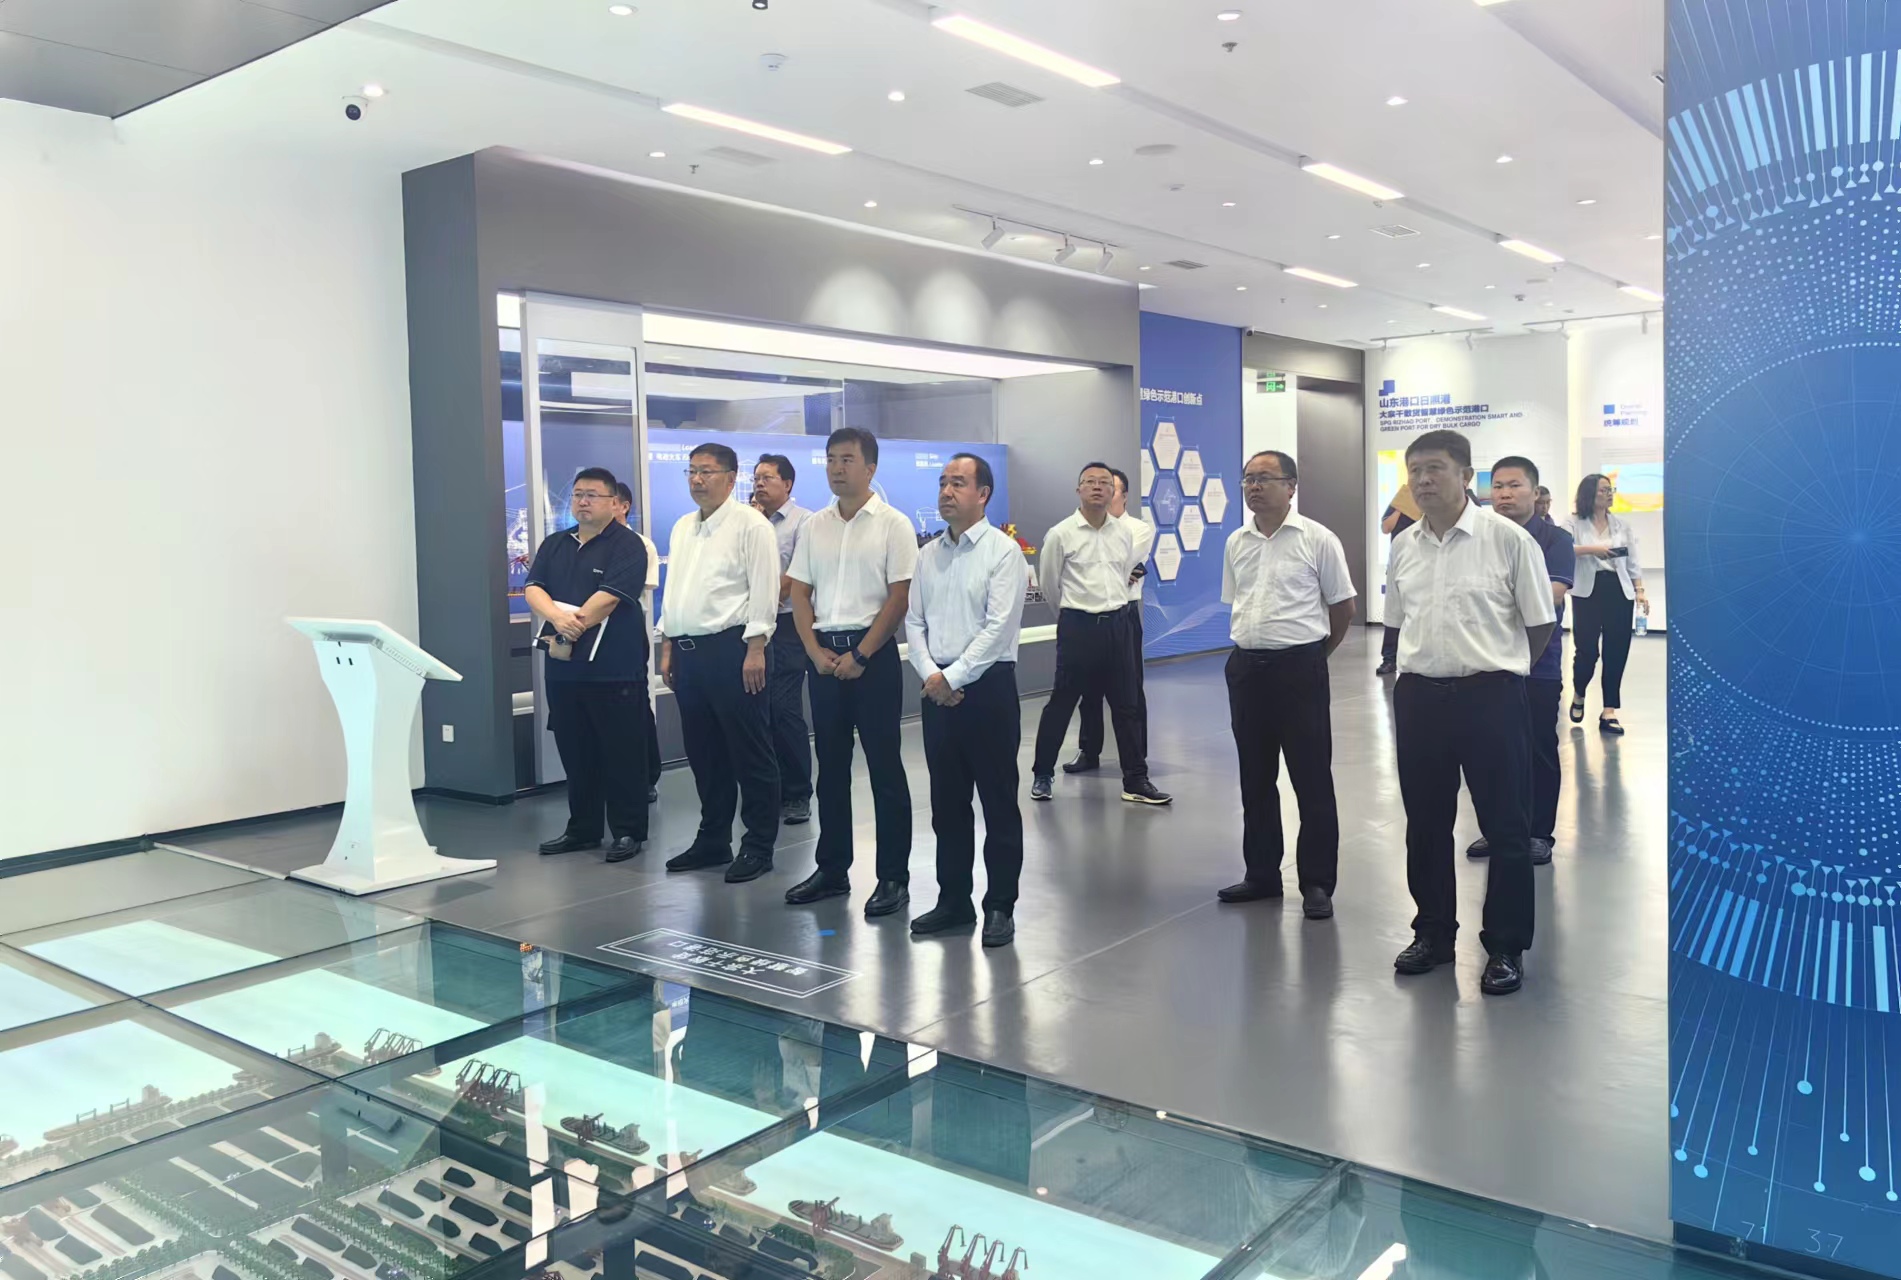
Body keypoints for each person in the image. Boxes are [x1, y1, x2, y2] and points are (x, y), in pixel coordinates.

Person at [1385, 430, 1556, 997]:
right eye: (1415, 470)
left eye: (1434, 468)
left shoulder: (1508, 539)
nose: (1422, 480)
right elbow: (1398, 621)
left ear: (1465, 476)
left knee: (1506, 827)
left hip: (1491, 696)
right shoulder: (1404, 545)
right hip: (1419, 698)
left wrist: (1501, 671)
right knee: (1425, 825)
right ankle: (1433, 934)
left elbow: (1539, 624)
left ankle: (1505, 946)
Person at [1215, 451, 1357, 920]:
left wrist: (1315, 656)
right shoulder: (1236, 542)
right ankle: (1261, 874)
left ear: (1291, 486)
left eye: (1265, 478)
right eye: (1248, 479)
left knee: (1311, 778)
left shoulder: (1318, 539)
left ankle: (1316, 882)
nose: (1254, 487)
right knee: (1255, 778)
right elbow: (1237, 600)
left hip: (1299, 668)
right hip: (1246, 670)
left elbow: (1343, 608)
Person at [786, 428, 918, 917]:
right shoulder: (815, 526)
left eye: (846, 459)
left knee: (885, 769)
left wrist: (861, 655)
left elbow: (899, 597)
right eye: (830, 459)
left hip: (873, 658)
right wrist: (814, 652)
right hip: (823, 657)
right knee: (831, 769)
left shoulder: (893, 524)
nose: (836, 468)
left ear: (870, 468)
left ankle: (893, 877)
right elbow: (799, 592)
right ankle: (832, 869)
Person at [906, 454, 1029, 948]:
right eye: (942, 483)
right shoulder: (927, 555)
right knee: (947, 804)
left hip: (987, 689)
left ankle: (1000, 905)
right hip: (937, 690)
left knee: (998, 803)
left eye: (958, 483)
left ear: (983, 494)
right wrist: (932, 675)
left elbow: (998, 628)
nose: (946, 491)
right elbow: (914, 622)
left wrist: (951, 677)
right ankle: (953, 900)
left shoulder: (1004, 552)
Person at [656, 444, 782, 882]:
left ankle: (759, 844)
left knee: (750, 751)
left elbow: (764, 589)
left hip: (734, 650)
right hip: (689, 653)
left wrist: (756, 647)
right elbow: (675, 590)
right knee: (704, 753)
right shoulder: (682, 527)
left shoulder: (751, 525)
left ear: (731, 478)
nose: (697, 479)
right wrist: (668, 642)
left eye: (707, 471)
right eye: (692, 471)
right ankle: (713, 839)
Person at [524, 468, 652, 863]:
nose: (582, 501)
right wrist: (557, 619)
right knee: (575, 748)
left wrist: (572, 623)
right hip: (564, 666)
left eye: (592, 495)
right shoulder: (555, 543)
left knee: (622, 750)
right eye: (578, 494)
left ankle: (628, 830)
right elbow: (534, 587)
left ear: (614, 502)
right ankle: (582, 828)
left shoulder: (628, 545)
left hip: (614, 667)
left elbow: (610, 597)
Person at [1029, 464, 1172, 805]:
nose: (1097, 487)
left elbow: (1124, 576)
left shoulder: (1123, 533)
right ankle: (1043, 774)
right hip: (1078, 628)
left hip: (1117, 626)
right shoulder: (1061, 534)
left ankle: (1135, 780)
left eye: (1105, 483)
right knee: (1062, 704)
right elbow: (1050, 585)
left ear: (1114, 492)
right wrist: (1074, 616)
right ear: (1078, 489)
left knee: (1127, 705)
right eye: (1090, 482)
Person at [1467, 458, 1573, 868]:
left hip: (1537, 662)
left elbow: (1553, 593)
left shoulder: (1555, 539)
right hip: (1485, 661)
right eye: (1498, 486)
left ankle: (1537, 833)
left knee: (1537, 750)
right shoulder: (1479, 536)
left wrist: (1491, 598)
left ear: (1535, 492)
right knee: (1489, 753)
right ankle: (1499, 829)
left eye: (1514, 486)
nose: (1505, 494)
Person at [1070, 467, 1154, 775]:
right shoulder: (1081, 529)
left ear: (1124, 496)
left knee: (1130, 689)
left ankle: (1136, 755)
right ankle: (1088, 750)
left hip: (1124, 614)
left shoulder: (1138, 529)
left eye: (1110, 487)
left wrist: (1100, 571)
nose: (1102, 491)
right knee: (1088, 688)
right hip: (1089, 616)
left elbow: (1120, 566)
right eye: (1095, 484)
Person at [752, 454, 814, 825]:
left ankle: (797, 792)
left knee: (783, 708)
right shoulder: (747, 521)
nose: (759, 484)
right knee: (756, 709)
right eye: (756, 478)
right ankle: (767, 789)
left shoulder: (804, 522)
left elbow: (796, 575)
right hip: (751, 626)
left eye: (767, 478)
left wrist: (764, 600)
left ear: (787, 484)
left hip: (787, 624)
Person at [1566, 473, 1647, 735]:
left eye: (1610, 489)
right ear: (1589, 493)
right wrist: (1594, 549)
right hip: (1587, 591)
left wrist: (1640, 591)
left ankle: (1609, 710)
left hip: (1618, 590)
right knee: (1587, 651)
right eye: (1603, 490)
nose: (1609, 494)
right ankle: (1579, 692)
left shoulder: (1622, 524)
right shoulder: (1573, 522)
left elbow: (1632, 561)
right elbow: (1565, 548)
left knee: (1616, 650)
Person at [615, 482, 663, 804]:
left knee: (635, 703)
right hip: (589, 634)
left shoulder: (641, 545)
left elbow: (638, 588)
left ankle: (647, 776)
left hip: (627, 631)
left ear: (624, 506)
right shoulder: (582, 542)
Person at [1376, 483, 1419, 676]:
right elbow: (1386, 527)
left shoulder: (1431, 505)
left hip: (1422, 562)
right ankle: (1389, 658)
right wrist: (1402, 506)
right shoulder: (1400, 499)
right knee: (1393, 612)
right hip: (1399, 563)